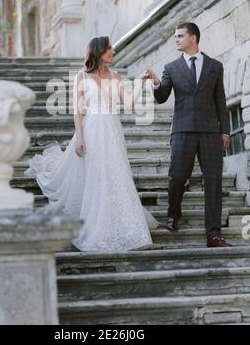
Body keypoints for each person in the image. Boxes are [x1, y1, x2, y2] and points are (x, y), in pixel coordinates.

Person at [25, 36, 158, 252]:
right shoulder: (82, 76)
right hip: (92, 129)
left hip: (112, 130)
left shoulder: (116, 77)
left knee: (116, 174)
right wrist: (79, 137)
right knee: (97, 175)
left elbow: (131, 103)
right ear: (100, 52)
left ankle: (125, 225)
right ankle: (97, 226)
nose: (113, 52)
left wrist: (142, 81)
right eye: (109, 49)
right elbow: (78, 111)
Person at [146, 22, 231, 248]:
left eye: (180, 36)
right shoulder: (171, 67)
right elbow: (163, 96)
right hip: (183, 130)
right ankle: (173, 215)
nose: (176, 39)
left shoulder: (215, 66)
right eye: (175, 36)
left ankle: (213, 234)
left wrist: (225, 130)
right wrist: (155, 82)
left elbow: (220, 101)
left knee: (213, 181)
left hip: (210, 132)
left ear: (193, 38)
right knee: (177, 177)